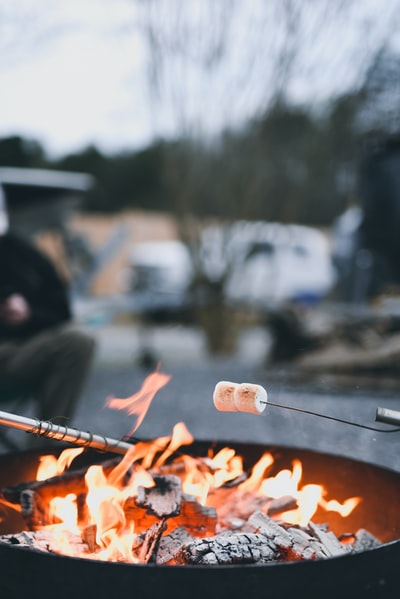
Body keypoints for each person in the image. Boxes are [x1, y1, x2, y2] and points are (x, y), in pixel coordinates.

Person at [0, 194, 96, 438]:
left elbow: (61, 307)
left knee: (78, 341)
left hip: (18, 353)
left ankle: (44, 456)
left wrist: (29, 313)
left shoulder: (23, 254)